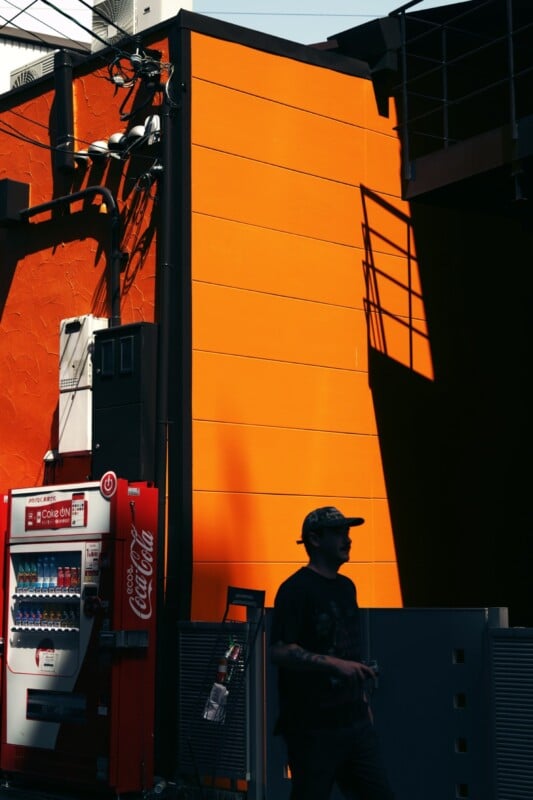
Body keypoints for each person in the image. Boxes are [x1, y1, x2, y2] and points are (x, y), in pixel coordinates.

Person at [270, 506, 394, 800]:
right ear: (315, 539)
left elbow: (348, 648)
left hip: (354, 722)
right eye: (338, 532)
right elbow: (279, 650)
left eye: (348, 532)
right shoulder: (295, 590)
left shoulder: (346, 587)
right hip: (313, 727)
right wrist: (334, 665)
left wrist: (363, 702)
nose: (347, 539)